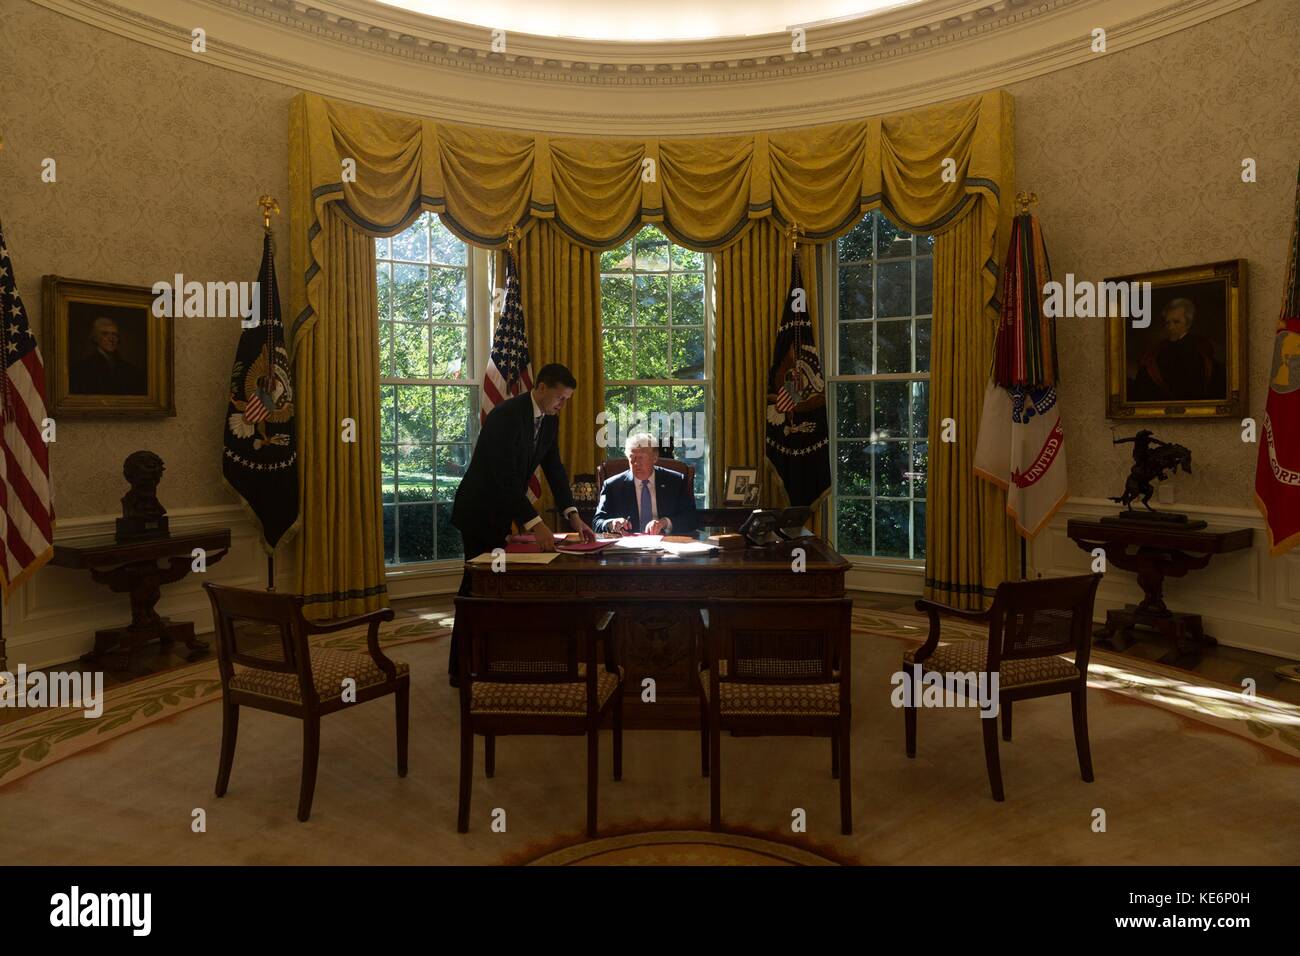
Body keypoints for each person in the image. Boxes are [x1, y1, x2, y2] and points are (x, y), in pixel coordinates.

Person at [447, 363, 596, 685]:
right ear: (541, 388)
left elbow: (554, 468)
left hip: (503, 513)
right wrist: (536, 524)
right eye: (560, 397)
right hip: (478, 512)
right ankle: (461, 669)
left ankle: (501, 658)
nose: (562, 405)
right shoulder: (506, 415)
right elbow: (504, 480)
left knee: (500, 586)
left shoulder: (549, 421)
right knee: (476, 589)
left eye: (567, 399)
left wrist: (572, 514)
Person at [592, 431, 698, 536]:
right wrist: (611, 524)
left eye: (642, 457)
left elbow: (691, 518)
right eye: (632, 457)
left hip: (667, 544)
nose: (636, 463)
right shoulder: (613, 486)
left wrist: (664, 523)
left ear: (655, 458)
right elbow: (597, 522)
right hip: (628, 547)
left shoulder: (675, 482)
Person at [1129, 298, 1225, 402]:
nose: (1171, 327)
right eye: (1168, 323)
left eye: (1176, 322)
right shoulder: (1159, 349)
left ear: (1188, 323)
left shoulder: (1200, 347)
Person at [69, 316, 147, 395]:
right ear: (95, 338)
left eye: (115, 335)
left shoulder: (128, 369)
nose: (111, 339)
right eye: (105, 334)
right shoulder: (83, 368)